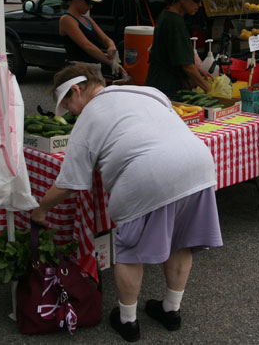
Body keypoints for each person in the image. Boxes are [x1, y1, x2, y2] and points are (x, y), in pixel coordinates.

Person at [31, 63, 223, 342]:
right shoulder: (145, 91)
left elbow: (69, 182)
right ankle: (171, 311)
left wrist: (41, 210)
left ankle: (128, 321)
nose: (71, 111)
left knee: (130, 253)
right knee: (181, 241)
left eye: (68, 103)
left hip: (147, 176)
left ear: (76, 90)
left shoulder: (86, 119)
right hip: (198, 164)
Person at [145, 0, 211, 97]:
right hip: (166, 87)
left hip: (160, 84)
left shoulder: (167, 15)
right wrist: (208, 89)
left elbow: (177, 54)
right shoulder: (174, 22)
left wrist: (198, 69)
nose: (200, 5)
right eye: (196, 0)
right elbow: (187, 66)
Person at [59, 0, 125, 76]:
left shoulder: (87, 18)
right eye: (88, 2)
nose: (91, 6)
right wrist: (110, 62)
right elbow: (87, 46)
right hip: (77, 70)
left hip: (92, 70)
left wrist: (111, 45)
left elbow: (104, 38)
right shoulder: (67, 19)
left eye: (92, 3)